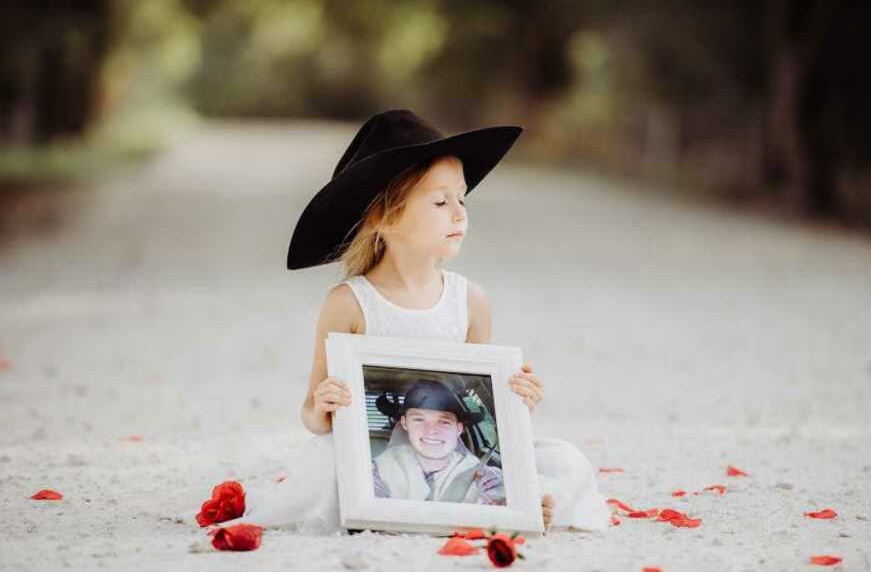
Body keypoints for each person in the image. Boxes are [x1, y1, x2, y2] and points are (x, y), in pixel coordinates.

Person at [178, 108, 611, 534]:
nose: (459, 213)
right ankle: (430, 506)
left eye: (462, 198)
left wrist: (517, 400)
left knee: (565, 461)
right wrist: (324, 406)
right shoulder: (349, 304)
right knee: (328, 467)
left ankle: (505, 502)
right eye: (441, 201)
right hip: (378, 460)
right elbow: (312, 412)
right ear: (383, 217)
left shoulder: (470, 302)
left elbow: (481, 411)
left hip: (451, 453)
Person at [371, 379, 505, 504]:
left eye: (444, 422)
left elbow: (499, 498)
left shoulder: (480, 474)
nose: (431, 431)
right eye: (419, 419)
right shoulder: (379, 469)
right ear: (404, 423)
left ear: (458, 429)